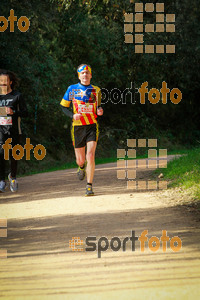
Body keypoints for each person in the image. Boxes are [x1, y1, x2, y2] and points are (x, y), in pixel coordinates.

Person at [60, 64, 103, 196]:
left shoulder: (96, 90)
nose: (85, 75)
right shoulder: (72, 89)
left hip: (92, 126)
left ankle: (89, 186)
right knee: (80, 159)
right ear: (79, 76)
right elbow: (63, 107)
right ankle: (81, 166)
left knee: (90, 155)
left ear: (91, 75)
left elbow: (98, 107)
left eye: (87, 73)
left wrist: (99, 110)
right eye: (82, 73)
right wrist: (72, 115)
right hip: (77, 127)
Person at [0, 69, 27, 193]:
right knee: (1, 154)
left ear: (10, 82)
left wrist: (14, 112)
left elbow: (25, 112)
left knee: (13, 155)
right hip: (0, 131)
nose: (3, 83)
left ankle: (13, 177)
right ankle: (1, 180)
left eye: (5, 81)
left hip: (14, 130)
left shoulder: (17, 96)